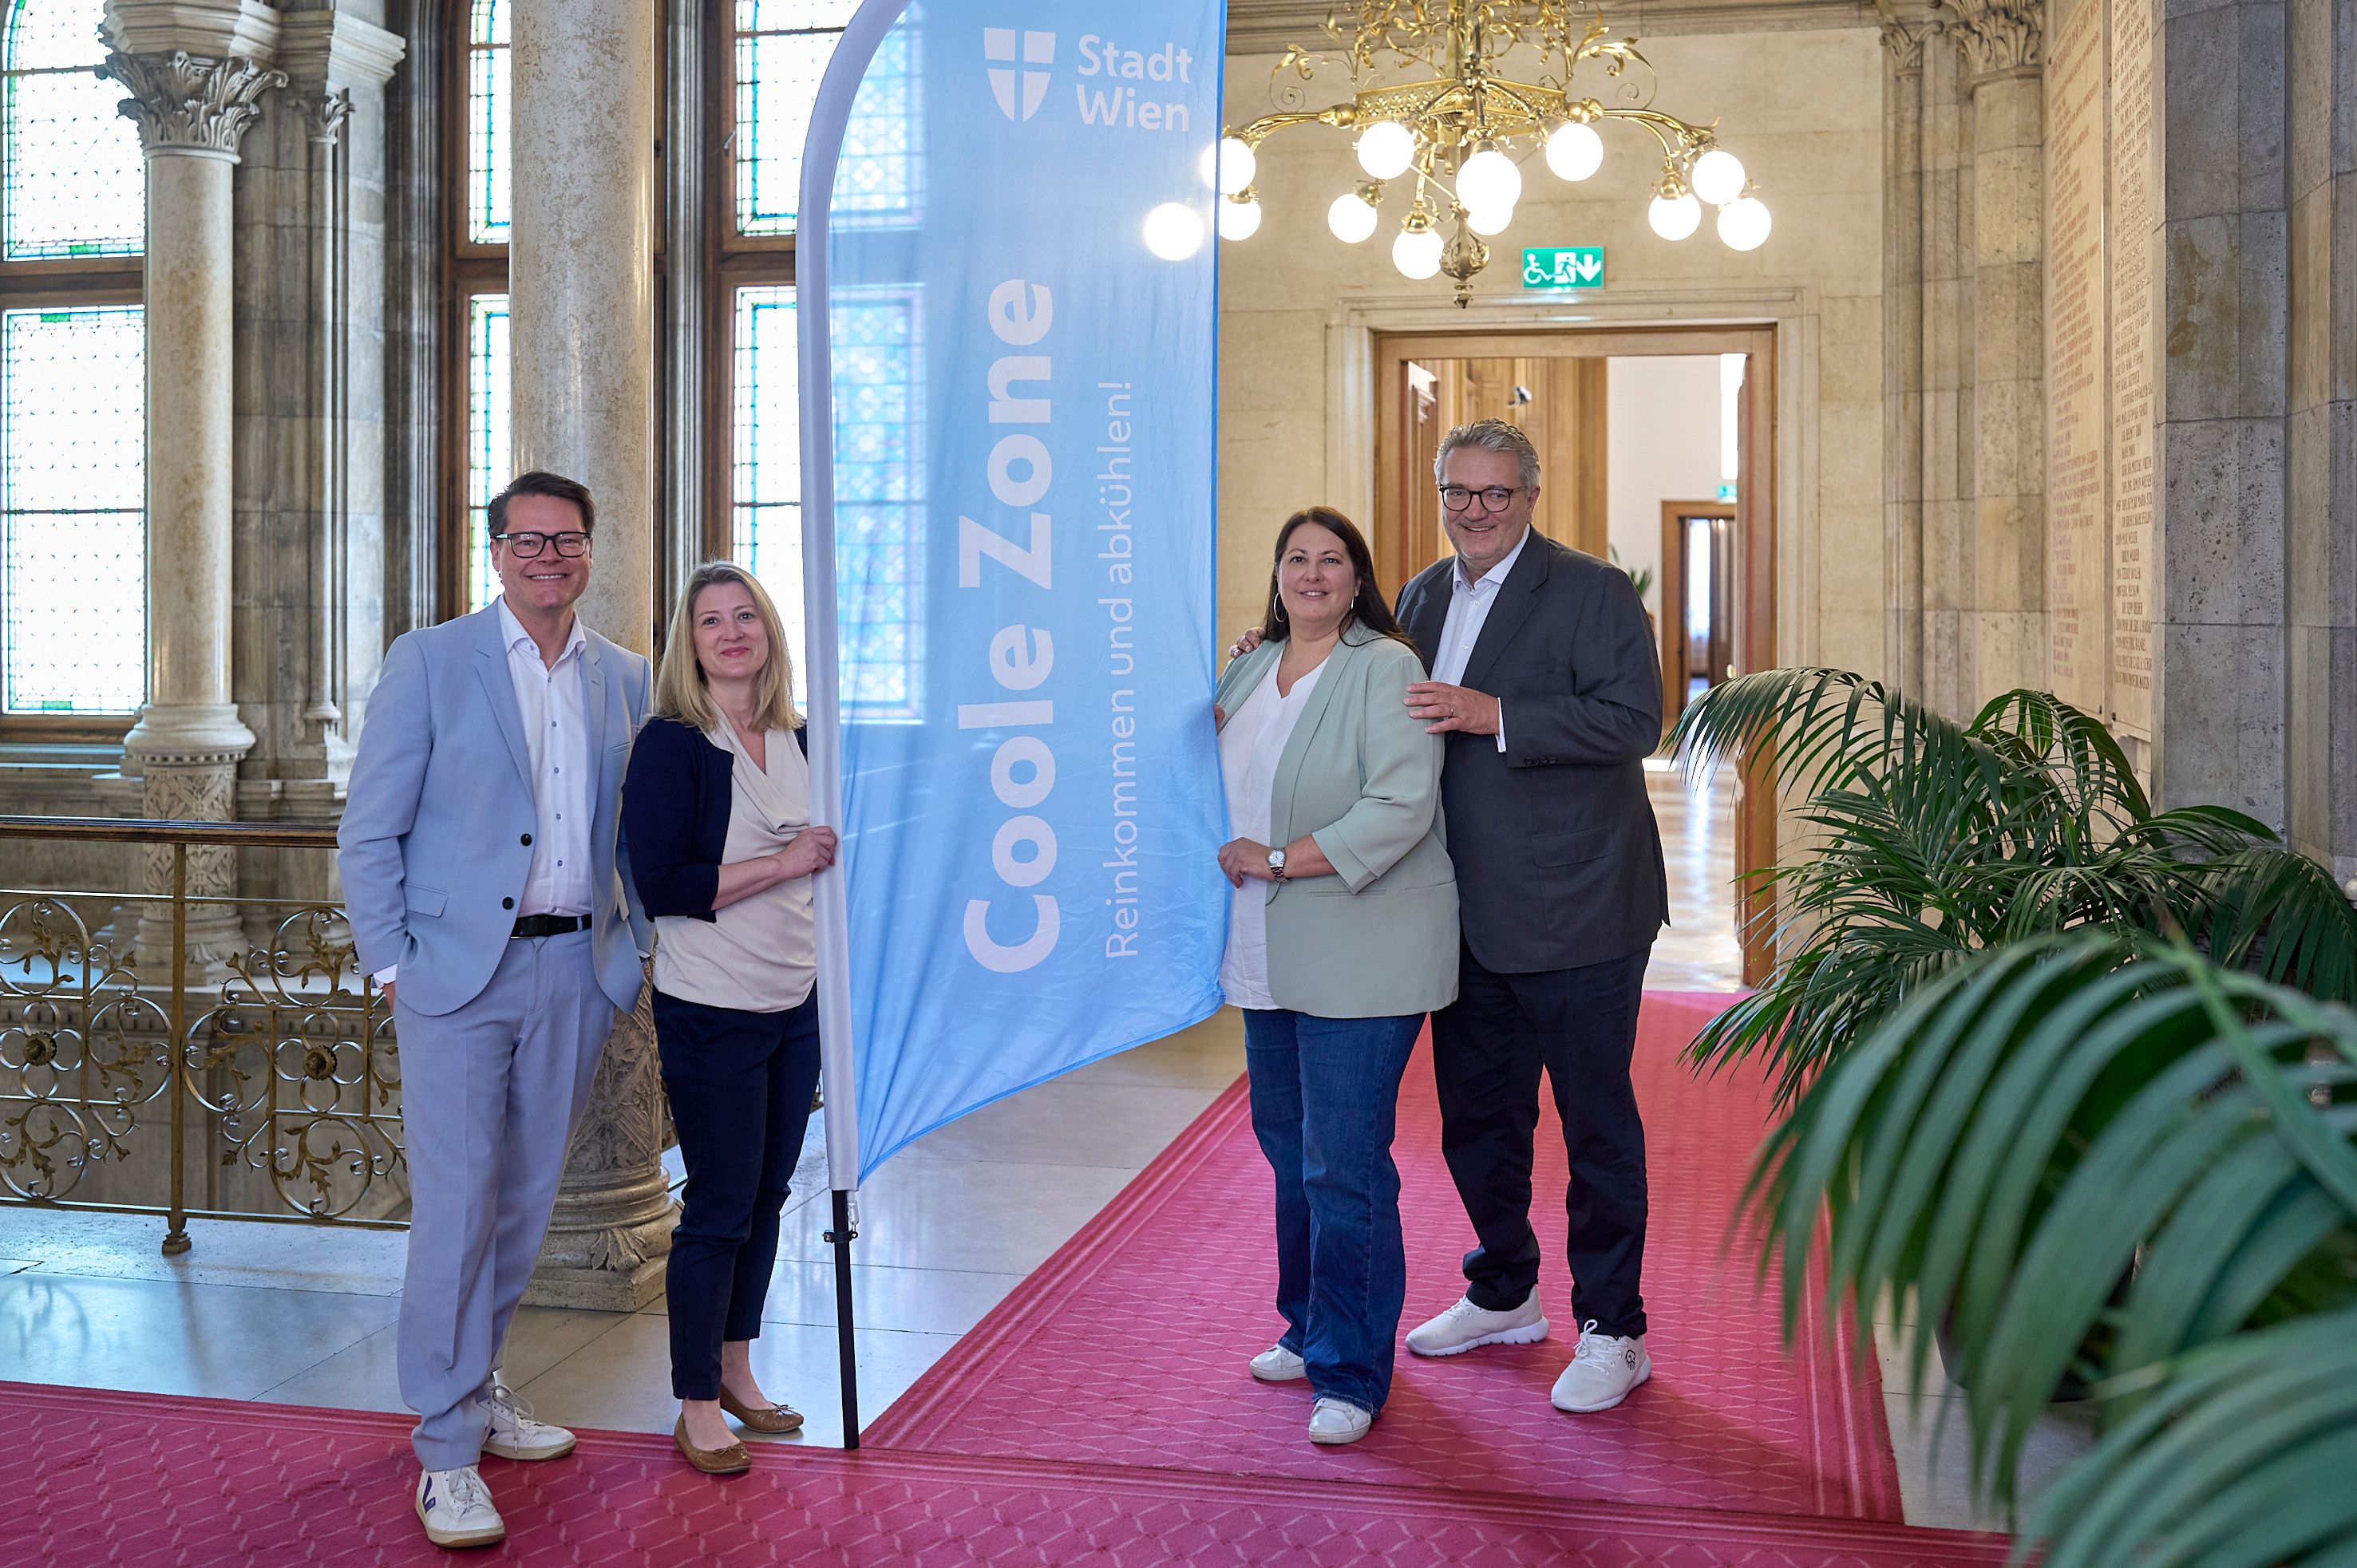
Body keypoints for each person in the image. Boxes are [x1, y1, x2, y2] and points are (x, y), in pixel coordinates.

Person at [1228, 420, 1667, 1416]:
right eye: (1457, 493)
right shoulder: (1423, 594)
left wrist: (1495, 713)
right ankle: (1504, 1290)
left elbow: (1635, 721)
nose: (1475, 510)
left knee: (1594, 1127)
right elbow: (1358, 670)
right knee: (1478, 1121)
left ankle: (1614, 1327)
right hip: (1461, 914)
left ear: (1529, 496)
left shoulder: (1591, 589)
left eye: (1495, 493)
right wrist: (1270, 649)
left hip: (1580, 908)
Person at [338, 471, 653, 1550]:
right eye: (528, 540)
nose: (547, 557)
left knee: (523, 1205)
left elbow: (634, 832)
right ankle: (443, 1448)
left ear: (590, 552)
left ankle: (478, 1385)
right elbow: (369, 828)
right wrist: (392, 964)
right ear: (497, 552)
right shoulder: (432, 660)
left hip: (576, 973)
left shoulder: (625, 676)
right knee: (458, 1206)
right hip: (455, 980)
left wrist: (632, 948)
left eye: (566, 540)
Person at [1214, 506, 1458, 1448]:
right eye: (1295, 559)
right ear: (1276, 575)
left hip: (1362, 950)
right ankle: (1307, 1327)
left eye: (1331, 560)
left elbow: (1400, 806)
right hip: (1263, 948)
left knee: (1342, 1166)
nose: (1311, 574)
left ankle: (1352, 1371)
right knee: (1288, 1152)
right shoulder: (1248, 667)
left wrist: (1279, 860)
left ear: (1358, 580)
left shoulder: (1386, 667)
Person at [621, 562, 836, 1475]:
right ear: (691, 643)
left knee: (767, 1197)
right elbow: (662, 885)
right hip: (711, 1006)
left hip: (798, 1001)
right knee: (717, 1208)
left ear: (770, 630)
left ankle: (739, 1370)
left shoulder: (802, 737)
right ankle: (696, 1402)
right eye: (711, 621)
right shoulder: (673, 744)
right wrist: (782, 866)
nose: (732, 633)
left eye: (746, 615)